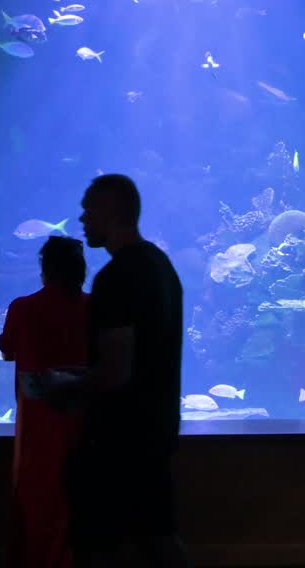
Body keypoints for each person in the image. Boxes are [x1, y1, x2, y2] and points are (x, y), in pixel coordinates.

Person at [42, 175, 189, 568]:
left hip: (119, 438)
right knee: (158, 536)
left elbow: (116, 372)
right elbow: (144, 354)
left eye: (88, 209)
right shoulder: (161, 265)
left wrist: (65, 385)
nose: (81, 219)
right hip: (157, 427)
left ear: (109, 212)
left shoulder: (116, 277)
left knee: (97, 545)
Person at [0, 236, 90, 568]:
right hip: (85, 424)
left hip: (38, 426)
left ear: (45, 269)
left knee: (37, 501)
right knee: (79, 503)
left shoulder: (22, 308)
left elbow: (7, 350)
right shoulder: (95, 307)